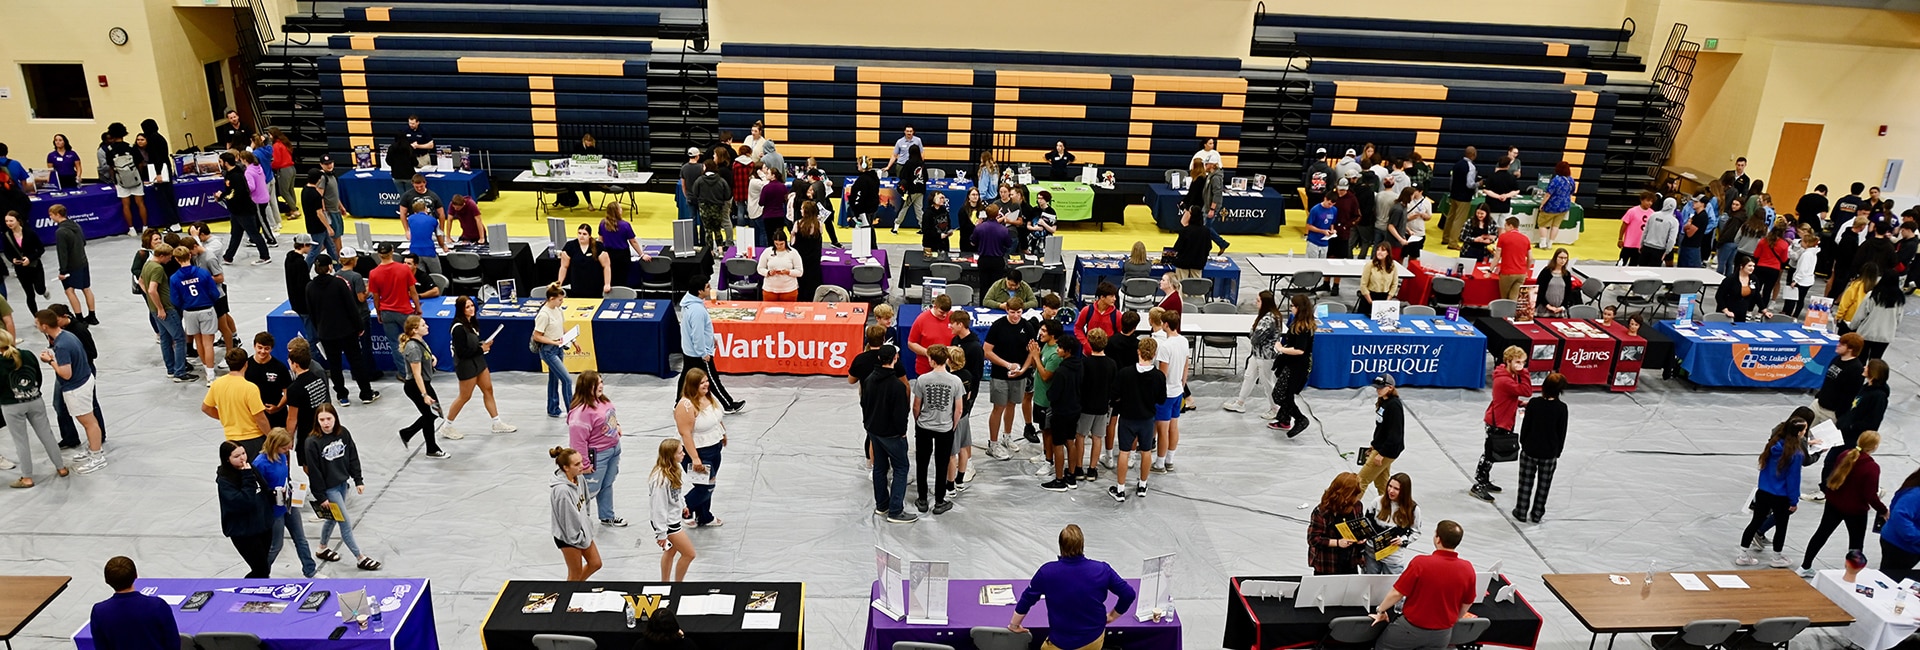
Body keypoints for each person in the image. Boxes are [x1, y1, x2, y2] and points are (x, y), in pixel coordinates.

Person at [1009, 524, 1134, 650]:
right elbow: (1128, 594)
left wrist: (1014, 625)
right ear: (1082, 545)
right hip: (1093, 640)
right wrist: (1112, 616)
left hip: (1060, 643)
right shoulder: (1102, 569)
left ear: (1060, 546)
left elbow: (1027, 599)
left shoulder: (1047, 572)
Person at [1368, 521, 1478, 650]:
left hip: (1410, 629)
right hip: (1442, 633)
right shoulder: (1467, 568)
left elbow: (1397, 593)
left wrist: (1381, 610)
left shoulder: (1421, 563)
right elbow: (1467, 602)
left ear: (1438, 539)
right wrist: (1451, 620)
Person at [303, 404, 380, 570]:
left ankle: (322, 548)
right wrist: (321, 497)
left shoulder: (343, 433)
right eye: (322, 419)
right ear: (317, 420)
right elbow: (314, 472)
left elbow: (352, 455)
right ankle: (360, 558)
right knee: (344, 522)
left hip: (342, 484)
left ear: (335, 418)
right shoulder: (312, 442)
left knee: (332, 518)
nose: (326, 423)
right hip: (329, 490)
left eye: (329, 419)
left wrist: (358, 479)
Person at [1801, 430, 1886, 576]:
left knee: (1821, 534)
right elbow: (1870, 495)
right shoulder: (1871, 467)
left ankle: (1804, 566)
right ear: (1875, 446)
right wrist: (1883, 510)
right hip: (1856, 510)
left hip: (1834, 504)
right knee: (1856, 544)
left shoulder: (1845, 455)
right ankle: (1851, 574)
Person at [1738, 418, 1814, 567]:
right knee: (1781, 526)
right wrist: (1794, 500)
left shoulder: (1773, 445)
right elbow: (1793, 479)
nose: (1805, 433)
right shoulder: (1795, 454)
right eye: (1804, 430)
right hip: (1781, 497)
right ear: (1799, 433)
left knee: (1755, 522)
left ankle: (1742, 554)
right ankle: (1777, 558)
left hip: (1764, 491)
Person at [305, 255, 380, 405]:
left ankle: (342, 395)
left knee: (335, 364)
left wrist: (319, 329)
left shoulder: (310, 287)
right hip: (346, 331)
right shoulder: (338, 284)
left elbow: (311, 312)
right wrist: (359, 326)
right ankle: (366, 393)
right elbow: (351, 307)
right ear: (330, 267)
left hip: (326, 332)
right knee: (356, 361)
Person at [40, 308, 105, 461]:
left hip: (77, 379)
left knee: (88, 416)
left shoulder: (74, 334)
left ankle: (97, 450)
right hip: (76, 377)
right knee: (65, 407)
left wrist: (52, 361)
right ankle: (87, 444)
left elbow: (68, 371)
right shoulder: (64, 336)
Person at [254, 429, 318, 578]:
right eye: (284, 448)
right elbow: (258, 490)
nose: (287, 450)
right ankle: (262, 573)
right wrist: (273, 495)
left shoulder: (282, 456)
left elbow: (285, 477)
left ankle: (310, 570)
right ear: (274, 445)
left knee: (301, 539)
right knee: (276, 546)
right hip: (274, 510)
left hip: (289, 503)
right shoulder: (260, 464)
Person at [863, 345, 917, 523]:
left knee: (879, 467)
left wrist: (869, 425)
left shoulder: (869, 380)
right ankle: (895, 510)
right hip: (892, 435)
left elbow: (864, 404)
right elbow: (901, 414)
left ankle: (882, 505)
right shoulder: (897, 386)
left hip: (874, 432)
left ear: (879, 359)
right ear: (895, 359)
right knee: (901, 469)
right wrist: (901, 432)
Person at [445, 297, 513, 433]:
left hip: (479, 361)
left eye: (472, 306)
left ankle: (497, 422)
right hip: (466, 365)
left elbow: (472, 344)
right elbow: (462, 352)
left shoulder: (472, 323)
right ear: (461, 310)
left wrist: (482, 344)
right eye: (467, 307)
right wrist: (481, 349)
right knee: (465, 396)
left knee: (488, 390)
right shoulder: (458, 328)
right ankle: (447, 426)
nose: (471, 309)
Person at [1472, 346, 1532, 502]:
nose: (1521, 365)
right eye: (1518, 362)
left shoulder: (1508, 375)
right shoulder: (1505, 379)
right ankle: (1478, 484)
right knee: (1489, 454)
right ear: (1508, 361)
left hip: (1502, 418)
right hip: (1498, 421)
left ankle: (1484, 480)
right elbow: (1527, 390)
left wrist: (1518, 403)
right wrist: (1524, 372)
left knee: (1490, 454)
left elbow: (1506, 397)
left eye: (1523, 362)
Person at [1, 330, 61, 488]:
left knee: (21, 441)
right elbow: (38, 376)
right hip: (35, 400)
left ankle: (27, 477)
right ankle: (61, 467)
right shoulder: (27, 354)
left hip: (11, 405)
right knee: (47, 434)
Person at [567, 371, 625, 527]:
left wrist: (617, 426)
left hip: (613, 449)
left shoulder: (602, 401)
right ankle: (578, 521)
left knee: (607, 484)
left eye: (601, 382)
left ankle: (607, 516)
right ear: (586, 387)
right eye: (596, 383)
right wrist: (583, 465)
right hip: (597, 455)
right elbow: (577, 443)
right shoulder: (580, 414)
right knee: (589, 490)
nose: (601, 386)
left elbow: (610, 417)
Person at [677, 278, 743, 413]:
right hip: (698, 352)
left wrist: (711, 338)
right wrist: (703, 353)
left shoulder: (688, 302)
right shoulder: (697, 310)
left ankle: (678, 403)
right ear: (699, 291)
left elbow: (698, 330)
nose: (710, 289)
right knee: (712, 379)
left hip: (689, 349)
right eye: (707, 287)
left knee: (685, 376)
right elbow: (697, 334)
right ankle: (728, 404)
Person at [912, 345, 964, 512]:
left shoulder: (922, 380)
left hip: (924, 426)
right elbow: (959, 409)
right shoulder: (955, 381)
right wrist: (953, 425)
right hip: (945, 427)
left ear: (932, 361)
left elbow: (916, 406)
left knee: (922, 462)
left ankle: (922, 499)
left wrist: (918, 421)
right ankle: (940, 500)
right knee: (942, 463)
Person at [984, 295, 1035, 459]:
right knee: (998, 408)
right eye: (1012, 312)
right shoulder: (998, 326)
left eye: (1019, 312)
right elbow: (987, 351)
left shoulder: (1027, 327)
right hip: (1000, 374)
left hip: (1019, 376)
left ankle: (1007, 436)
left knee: (1012, 405)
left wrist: (1024, 370)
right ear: (1007, 310)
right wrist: (1007, 365)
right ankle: (993, 443)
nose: (1015, 316)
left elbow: (1032, 352)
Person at [640, 438, 698, 583]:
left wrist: (683, 505)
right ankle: (678, 584)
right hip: (668, 524)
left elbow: (677, 493)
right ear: (671, 455)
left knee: (670, 551)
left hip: (672, 518)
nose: (684, 454)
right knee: (689, 554)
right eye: (680, 452)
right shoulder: (660, 479)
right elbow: (658, 508)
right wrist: (661, 534)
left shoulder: (674, 469)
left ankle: (664, 583)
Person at [89, 556, 179, 649]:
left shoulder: (99, 612)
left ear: (107, 581)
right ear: (136, 575)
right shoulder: (157, 606)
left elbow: (101, 646)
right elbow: (173, 643)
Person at [1514, 372, 1568, 523]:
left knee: (1525, 482)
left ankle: (1521, 510)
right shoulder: (1562, 408)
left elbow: (1526, 427)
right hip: (1549, 453)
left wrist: (1523, 443)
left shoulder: (1534, 403)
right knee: (1544, 485)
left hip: (1530, 449)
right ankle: (1537, 514)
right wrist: (1558, 451)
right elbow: (1561, 431)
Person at [394, 315, 451, 458]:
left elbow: (426, 354)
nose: (427, 327)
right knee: (431, 414)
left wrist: (432, 358)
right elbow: (416, 374)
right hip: (416, 386)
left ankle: (428, 446)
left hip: (423, 383)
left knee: (431, 414)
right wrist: (424, 395)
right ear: (414, 330)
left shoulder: (420, 342)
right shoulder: (412, 347)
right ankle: (409, 434)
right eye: (423, 325)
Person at [216, 440, 274, 578]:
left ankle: (257, 592)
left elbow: (264, 489)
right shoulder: (225, 480)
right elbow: (244, 501)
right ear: (227, 459)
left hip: (263, 525)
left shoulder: (250, 468)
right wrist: (247, 476)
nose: (242, 458)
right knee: (260, 569)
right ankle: (248, 593)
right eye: (236, 456)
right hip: (244, 532)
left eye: (243, 453)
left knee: (263, 567)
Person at [203, 347, 269, 457]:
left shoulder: (217, 384)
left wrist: (224, 416)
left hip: (231, 440)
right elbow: (260, 417)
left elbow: (206, 408)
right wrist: (270, 436)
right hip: (253, 439)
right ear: (246, 364)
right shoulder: (250, 388)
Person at [548, 446, 602, 581]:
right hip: (568, 538)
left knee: (595, 563)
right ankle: (569, 594)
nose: (582, 466)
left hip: (582, 530)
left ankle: (574, 588)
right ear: (566, 468)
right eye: (577, 464)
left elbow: (586, 501)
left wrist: (587, 522)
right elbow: (568, 522)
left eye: (581, 462)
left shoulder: (579, 477)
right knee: (574, 574)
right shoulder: (562, 491)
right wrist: (578, 539)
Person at [142, 243, 192, 383]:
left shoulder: (147, 265)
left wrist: (153, 303)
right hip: (166, 309)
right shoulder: (158, 268)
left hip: (154, 309)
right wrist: (161, 307)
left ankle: (171, 369)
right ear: (162, 256)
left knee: (165, 338)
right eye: (169, 257)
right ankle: (180, 372)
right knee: (180, 338)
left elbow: (141, 282)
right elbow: (152, 289)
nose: (170, 260)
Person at [367, 243, 420, 371]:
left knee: (395, 344)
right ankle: (417, 370)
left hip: (387, 312)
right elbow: (413, 291)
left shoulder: (373, 273)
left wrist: (379, 313)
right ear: (392, 252)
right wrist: (418, 307)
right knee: (412, 341)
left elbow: (375, 296)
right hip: (404, 311)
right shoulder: (404, 269)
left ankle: (404, 372)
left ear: (379, 255)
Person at [1268, 294, 1315, 434]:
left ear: (1299, 308)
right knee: (1284, 392)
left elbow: (1300, 350)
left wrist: (1282, 349)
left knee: (1281, 395)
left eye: (1292, 306)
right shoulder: (1300, 322)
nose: (1291, 309)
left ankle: (1300, 418)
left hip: (1297, 366)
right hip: (1293, 364)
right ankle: (1284, 419)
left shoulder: (1303, 328)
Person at [1364, 474, 1424, 575]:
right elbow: (1366, 523)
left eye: (1396, 489)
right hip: (1371, 554)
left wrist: (1403, 540)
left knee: (1391, 588)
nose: (1391, 491)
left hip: (1393, 557)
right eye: (1390, 486)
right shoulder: (1377, 502)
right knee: (1369, 587)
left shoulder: (1413, 510)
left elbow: (1416, 532)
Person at [1308, 472, 1367, 575]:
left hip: (1350, 561)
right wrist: (1338, 543)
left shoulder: (1357, 506)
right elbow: (1313, 539)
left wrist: (1361, 538)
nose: (1354, 498)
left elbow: (1359, 527)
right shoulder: (1322, 512)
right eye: (1352, 495)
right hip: (1327, 563)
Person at [48, 205, 97, 324]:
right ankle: (92, 316)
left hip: (71, 266)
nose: (50, 217)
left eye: (51, 214)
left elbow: (62, 253)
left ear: (58, 214)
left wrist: (62, 271)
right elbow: (83, 242)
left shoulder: (60, 232)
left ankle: (79, 318)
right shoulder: (76, 225)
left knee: (69, 291)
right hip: (83, 261)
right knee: (86, 288)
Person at [1808, 332, 1866, 428]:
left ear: (1850, 349)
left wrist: (1838, 414)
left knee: (1821, 441)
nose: (1838, 345)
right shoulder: (1836, 359)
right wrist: (1819, 396)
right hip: (1818, 405)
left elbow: (1850, 395)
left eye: (1842, 344)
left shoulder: (1856, 369)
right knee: (1800, 433)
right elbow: (1828, 381)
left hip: (1831, 413)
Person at [1359, 375, 1404, 496]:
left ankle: (1352, 512)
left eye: (1381, 387)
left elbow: (1395, 434)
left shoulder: (1394, 406)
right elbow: (1382, 429)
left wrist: (1382, 453)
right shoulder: (1384, 402)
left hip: (1386, 451)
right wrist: (1374, 445)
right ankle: (1388, 509)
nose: (1378, 390)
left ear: (1390, 387)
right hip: (1381, 448)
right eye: (1377, 387)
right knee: (1382, 484)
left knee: (1360, 481)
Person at [1848, 272, 1905, 359]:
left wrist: (1852, 326)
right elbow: (1898, 319)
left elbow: (1860, 315)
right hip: (1885, 335)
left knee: (1861, 359)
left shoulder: (1872, 295)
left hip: (1867, 333)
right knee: (1876, 361)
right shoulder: (1900, 299)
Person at [245, 332, 293, 431]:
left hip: (276, 415)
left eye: (266, 348)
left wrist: (278, 407)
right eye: (260, 347)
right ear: (254, 346)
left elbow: (287, 391)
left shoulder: (279, 367)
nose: (262, 351)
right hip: (252, 415)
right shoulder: (246, 366)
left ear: (271, 349)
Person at [2, 212, 45, 314]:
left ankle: (43, 291)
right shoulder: (6, 236)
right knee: (29, 294)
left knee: (40, 289)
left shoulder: (30, 233)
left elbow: (40, 249)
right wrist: (12, 259)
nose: (9, 223)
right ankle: (36, 316)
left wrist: (29, 258)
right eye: (6, 221)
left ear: (18, 220)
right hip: (21, 269)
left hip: (35, 266)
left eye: (11, 221)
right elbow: (7, 252)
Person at [1715, 255, 1774, 322]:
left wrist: (1765, 311)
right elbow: (1719, 296)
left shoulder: (1753, 279)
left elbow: (1757, 296)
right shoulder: (1730, 279)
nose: (1752, 268)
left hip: (1742, 312)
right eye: (1749, 266)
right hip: (1727, 312)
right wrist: (1726, 311)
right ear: (1741, 266)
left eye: (1753, 266)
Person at [1537, 161, 1576, 248]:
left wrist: (1542, 204)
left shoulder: (1556, 180)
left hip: (1552, 206)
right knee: (1556, 225)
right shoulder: (1571, 180)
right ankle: (1550, 243)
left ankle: (1543, 243)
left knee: (1543, 223)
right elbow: (1571, 193)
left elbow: (1548, 194)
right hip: (1564, 207)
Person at [757, 231, 804, 301]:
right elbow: (760, 268)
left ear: (785, 242)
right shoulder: (767, 251)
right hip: (769, 290)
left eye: (781, 244)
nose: (778, 246)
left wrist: (788, 272)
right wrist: (769, 272)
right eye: (776, 244)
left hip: (789, 290)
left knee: (789, 311)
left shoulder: (793, 253)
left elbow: (800, 272)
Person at [1534, 248, 1577, 317]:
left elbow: (1568, 292)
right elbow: (1539, 291)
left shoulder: (1566, 274)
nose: (1563, 260)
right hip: (1543, 310)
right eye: (1561, 258)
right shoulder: (1546, 272)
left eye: (1565, 258)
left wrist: (1562, 307)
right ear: (1555, 258)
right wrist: (1548, 306)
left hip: (1559, 311)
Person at [1359, 245, 1400, 312]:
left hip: (1384, 298)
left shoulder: (1393, 266)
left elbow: (1394, 284)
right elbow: (1363, 285)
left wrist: (1387, 301)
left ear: (1388, 253)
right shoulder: (1370, 265)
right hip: (1369, 297)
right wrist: (1371, 302)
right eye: (1378, 250)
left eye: (1383, 250)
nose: (1379, 252)